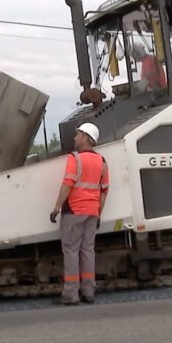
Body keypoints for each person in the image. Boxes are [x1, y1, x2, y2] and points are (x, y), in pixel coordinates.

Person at [50, 122, 109, 304]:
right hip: (92, 212)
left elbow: (68, 183)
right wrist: (99, 213)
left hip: (74, 211)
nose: (75, 138)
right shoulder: (102, 162)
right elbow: (104, 190)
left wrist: (56, 207)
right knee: (87, 251)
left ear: (85, 137)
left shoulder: (74, 159)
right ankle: (88, 292)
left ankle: (71, 294)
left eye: (77, 135)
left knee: (71, 251)